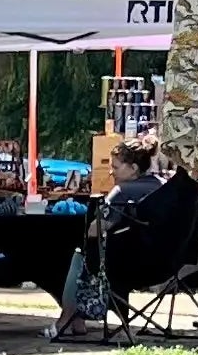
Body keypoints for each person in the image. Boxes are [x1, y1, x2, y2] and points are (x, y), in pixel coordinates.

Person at [51, 139, 168, 337]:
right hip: (166, 264)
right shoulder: (166, 189)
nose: (111, 172)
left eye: (115, 167)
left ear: (133, 168)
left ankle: (67, 320)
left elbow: (95, 231)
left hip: (124, 265)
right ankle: (76, 320)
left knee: (80, 253)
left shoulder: (122, 192)